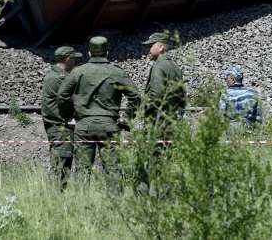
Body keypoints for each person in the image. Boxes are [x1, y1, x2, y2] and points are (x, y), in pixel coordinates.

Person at [57, 36, 140, 179]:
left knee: (83, 170)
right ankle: (115, 200)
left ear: (89, 52)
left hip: (84, 126)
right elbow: (136, 97)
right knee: (113, 169)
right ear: (107, 52)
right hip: (109, 125)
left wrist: (68, 115)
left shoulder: (78, 72)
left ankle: (82, 200)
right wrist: (126, 119)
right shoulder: (116, 72)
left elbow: (62, 96)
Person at [40, 45, 80, 189]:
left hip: (58, 127)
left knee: (62, 165)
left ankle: (59, 194)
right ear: (67, 59)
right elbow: (74, 99)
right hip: (60, 127)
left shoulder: (54, 76)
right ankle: (58, 196)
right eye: (74, 59)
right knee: (62, 166)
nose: (75, 62)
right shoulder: (59, 78)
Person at [142, 30, 187, 129]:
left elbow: (156, 94)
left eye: (151, 46)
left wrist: (146, 112)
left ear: (161, 47)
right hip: (171, 122)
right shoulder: (175, 67)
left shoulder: (159, 65)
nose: (148, 50)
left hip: (157, 123)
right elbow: (182, 96)